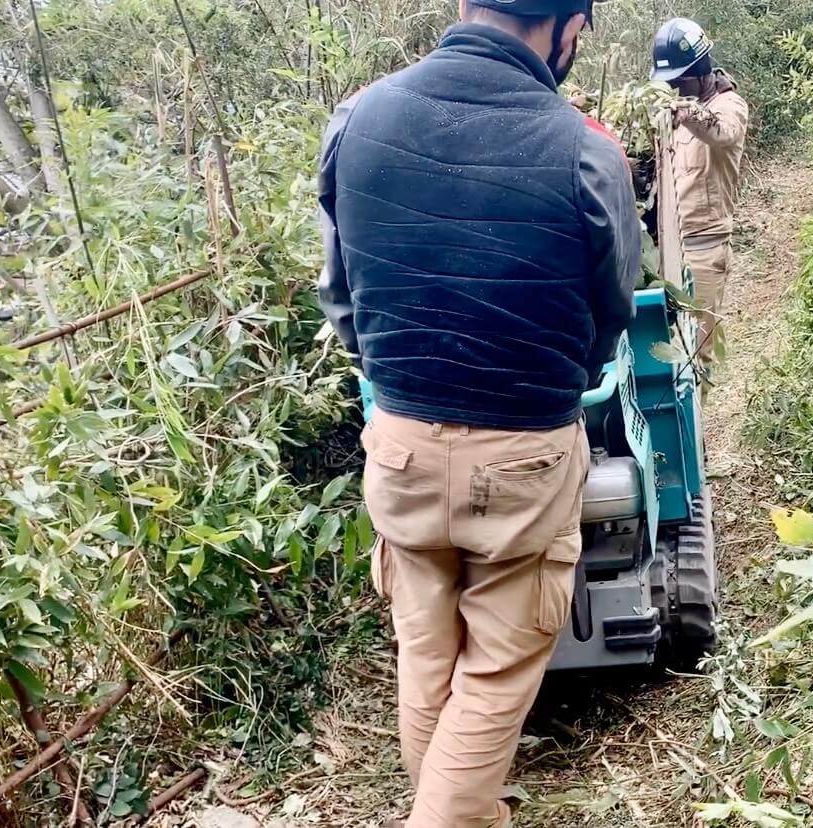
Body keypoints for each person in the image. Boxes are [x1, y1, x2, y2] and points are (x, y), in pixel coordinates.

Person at [314, 1, 639, 825]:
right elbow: (611, 317)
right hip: (524, 454)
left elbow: (342, 296)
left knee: (428, 661)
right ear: (567, 28)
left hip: (401, 444)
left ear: (465, 7)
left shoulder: (357, 119)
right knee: (492, 680)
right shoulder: (587, 152)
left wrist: (398, 377)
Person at [651, 17, 749, 383]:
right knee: (670, 345)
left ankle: (699, 434)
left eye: (680, 81)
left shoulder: (728, 105)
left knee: (697, 355)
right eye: (670, 83)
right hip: (671, 250)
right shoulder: (671, 116)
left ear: (702, 71)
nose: (675, 89)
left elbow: (723, 133)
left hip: (706, 248)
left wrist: (688, 113)